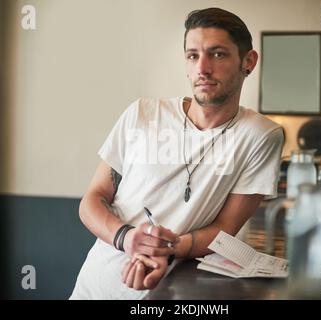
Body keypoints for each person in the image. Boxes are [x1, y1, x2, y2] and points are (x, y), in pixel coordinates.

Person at [70, 7, 284, 300]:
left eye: (218, 54)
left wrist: (168, 248)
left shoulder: (261, 135)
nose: (202, 68)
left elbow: (225, 229)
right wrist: (129, 239)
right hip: (97, 287)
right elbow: (92, 201)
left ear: (248, 61)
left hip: (175, 293)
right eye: (193, 55)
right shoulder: (143, 113)